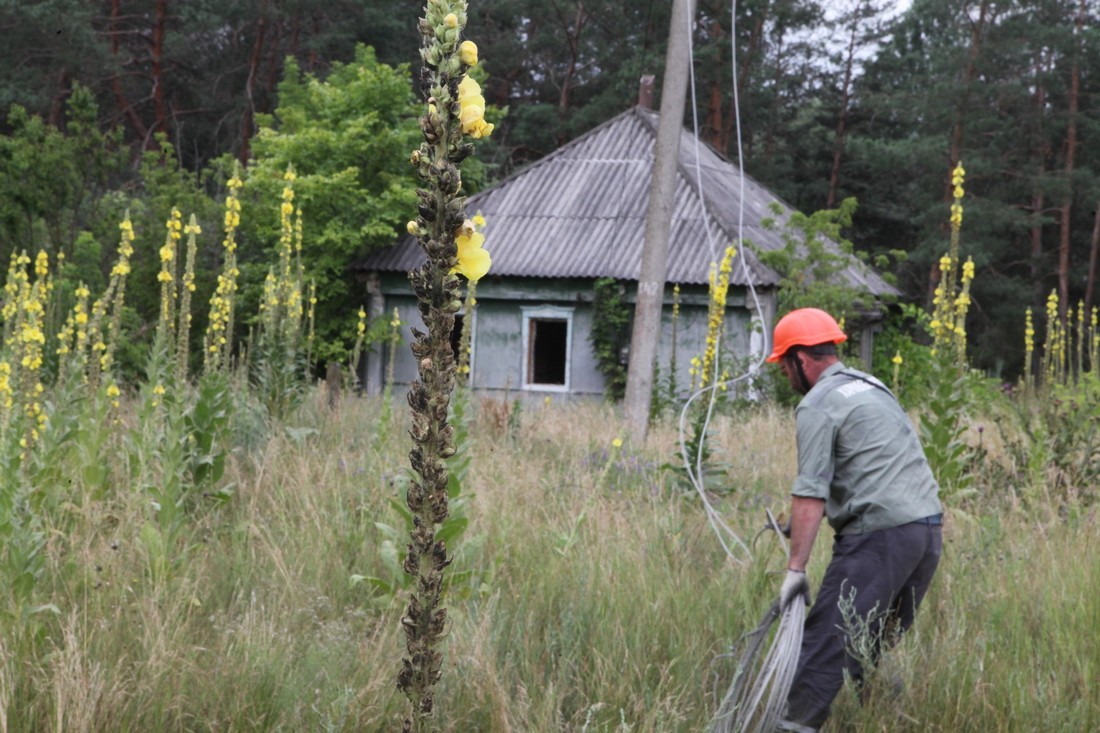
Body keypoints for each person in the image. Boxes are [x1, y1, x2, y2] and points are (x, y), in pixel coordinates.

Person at [767, 308, 943, 733]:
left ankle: (791, 726)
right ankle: (887, 723)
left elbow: (810, 490)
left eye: (785, 367)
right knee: (869, 652)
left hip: (878, 540)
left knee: (824, 649)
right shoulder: (872, 387)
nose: (786, 377)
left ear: (800, 360)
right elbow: (875, 465)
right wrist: (797, 522)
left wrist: (795, 571)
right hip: (926, 533)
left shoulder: (817, 404)